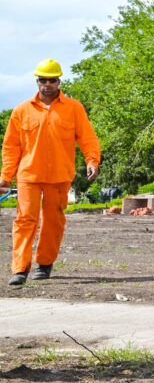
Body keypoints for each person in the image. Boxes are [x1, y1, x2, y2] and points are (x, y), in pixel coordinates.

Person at [1, 59, 101, 286]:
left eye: (52, 80)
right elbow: (11, 147)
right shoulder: (21, 110)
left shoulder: (74, 108)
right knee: (25, 220)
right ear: (37, 81)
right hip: (29, 175)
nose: (47, 84)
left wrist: (92, 160)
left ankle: (44, 264)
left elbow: (87, 138)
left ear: (59, 81)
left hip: (59, 175)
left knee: (53, 221)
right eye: (43, 80)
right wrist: (5, 177)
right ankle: (20, 269)